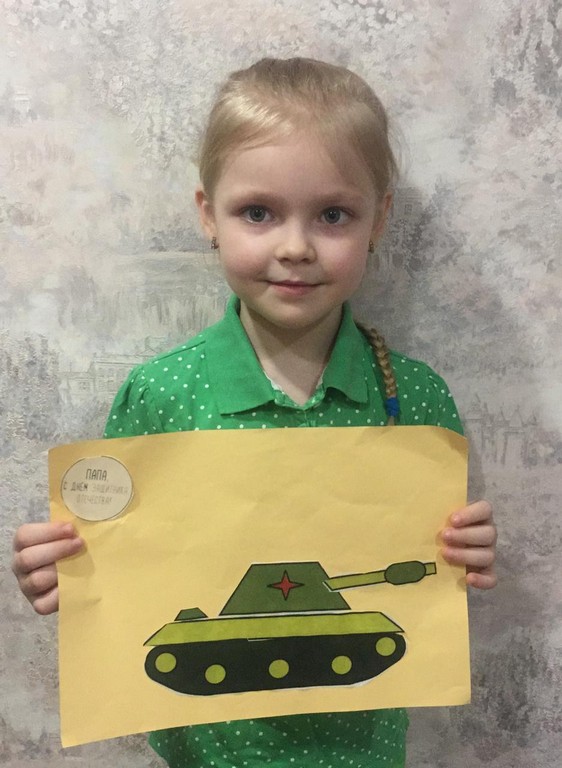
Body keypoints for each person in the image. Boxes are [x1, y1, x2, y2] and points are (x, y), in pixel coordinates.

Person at [12, 57, 497, 768]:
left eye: (333, 215)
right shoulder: (163, 395)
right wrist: (67, 569)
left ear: (379, 219)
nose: (295, 247)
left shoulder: (415, 400)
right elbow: (124, 562)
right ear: (209, 215)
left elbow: (433, 582)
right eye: (258, 212)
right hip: (210, 754)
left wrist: (464, 554)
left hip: (362, 752)